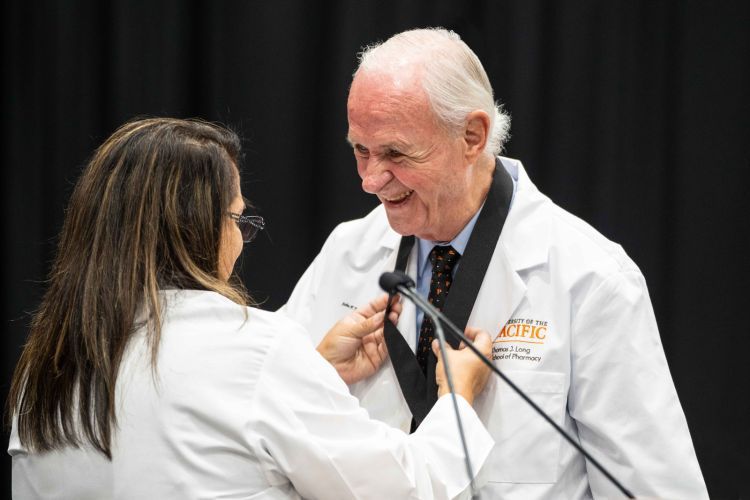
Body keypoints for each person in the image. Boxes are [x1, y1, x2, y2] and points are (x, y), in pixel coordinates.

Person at [282, 28, 709, 499]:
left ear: (472, 136)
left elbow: (655, 490)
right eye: (360, 150)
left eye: (395, 153)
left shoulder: (592, 278)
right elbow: (265, 432)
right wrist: (318, 372)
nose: (369, 179)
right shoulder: (348, 251)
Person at [7, 117, 496, 499]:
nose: (241, 240)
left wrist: (314, 371)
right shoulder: (255, 350)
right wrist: (459, 398)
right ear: (196, 226)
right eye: (239, 219)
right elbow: (404, 489)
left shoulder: (45, 367)